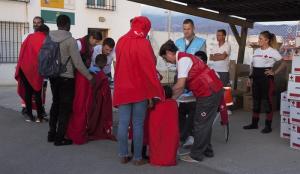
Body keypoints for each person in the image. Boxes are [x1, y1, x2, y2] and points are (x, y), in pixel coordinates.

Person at [159, 40, 223, 163]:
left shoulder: (183, 60)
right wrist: (173, 99)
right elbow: (181, 87)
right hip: (209, 90)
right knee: (204, 122)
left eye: (164, 58)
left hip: (209, 91)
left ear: (168, 53)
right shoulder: (184, 58)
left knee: (200, 123)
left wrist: (168, 99)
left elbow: (180, 85)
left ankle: (196, 155)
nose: (166, 61)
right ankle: (207, 150)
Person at [114, 16, 164, 165]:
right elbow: (151, 64)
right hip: (139, 89)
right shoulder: (144, 43)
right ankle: (137, 158)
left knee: (123, 123)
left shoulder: (121, 41)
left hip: (123, 88)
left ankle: (123, 155)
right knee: (138, 124)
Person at [48, 15, 94, 146]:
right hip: (66, 78)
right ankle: (60, 138)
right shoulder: (70, 40)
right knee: (65, 108)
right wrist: (90, 77)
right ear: (67, 24)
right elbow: (78, 63)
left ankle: (51, 134)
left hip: (53, 76)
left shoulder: (49, 37)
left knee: (55, 103)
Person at [243, 31, 286, 133]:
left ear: (267, 40)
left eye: (261, 39)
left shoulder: (273, 51)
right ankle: (254, 124)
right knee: (256, 101)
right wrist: (250, 78)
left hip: (266, 79)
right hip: (256, 79)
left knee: (267, 102)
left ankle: (268, 126)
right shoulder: (256, 51)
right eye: (259, 38)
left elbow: (284, 63)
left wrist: (274, 72)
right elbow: (252, 66)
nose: (259, 41)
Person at [67, 54, 115, 144]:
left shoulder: (85, 73)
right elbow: (106, 95)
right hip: (95, 102)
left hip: (84, 99)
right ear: (105, 65)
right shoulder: (102, 76)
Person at [175, 19, 207, 148]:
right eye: (184, 29)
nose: (186, 31)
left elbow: (203, 61)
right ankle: (185, 134)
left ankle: (192, 136)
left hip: (195, 80)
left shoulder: (201, 42)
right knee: (181, 109)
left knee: (193, 109)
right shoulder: (178, 42)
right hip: (181, 78)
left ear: (193, 28)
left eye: (188, 28)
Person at [15, 24, 49, 123]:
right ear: (45, 32)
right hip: (36, 69)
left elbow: (22, 50)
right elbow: (44, 56)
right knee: (38, 93)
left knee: (28, 93)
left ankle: (29, 115)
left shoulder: (29, 37)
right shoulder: (45, 39)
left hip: (24, 68)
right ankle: (39, 117)